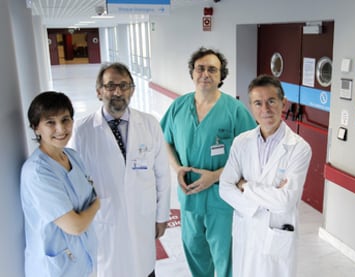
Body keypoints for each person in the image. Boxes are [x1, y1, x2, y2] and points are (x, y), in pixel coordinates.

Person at [160, 47, 257, 277]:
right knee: (195, 251)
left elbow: (250, 154)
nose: (206, 74)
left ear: (221, 75)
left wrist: (215, 176)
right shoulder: (178, 107)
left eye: (212, 69)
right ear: (192, 73)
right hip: (190, 197)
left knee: (225, 257)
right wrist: (177, 169)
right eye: (200, 68)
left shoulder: (235, 111)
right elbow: (165, 142)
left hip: (222, 198)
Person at [69, 62, 171, 277]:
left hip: (142, 217)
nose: (117, 92)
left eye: (124, 85)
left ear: (132, 90)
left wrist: (162, 216)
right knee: (111, 269)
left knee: (144, 269)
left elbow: (162, 174)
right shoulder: (82, 130)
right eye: (110, 86)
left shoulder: (150, 124)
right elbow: (76, 182)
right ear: (99, 92)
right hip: (104, 221)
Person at [219, 74, 312, 277]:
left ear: (283, 103)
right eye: (258, 103)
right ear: (251, 107)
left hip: (276, 236)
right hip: (246, 229)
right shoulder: (241, 142)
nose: (265, 109)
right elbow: (225, 188)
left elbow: (285, 201)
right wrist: (260, 204)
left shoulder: (299, 148)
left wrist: (245, 187)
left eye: (271, 101)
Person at [20, 91, 100, 277]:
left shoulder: (73, 156)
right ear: (36, 128)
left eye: (65, 119)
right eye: (50, 122)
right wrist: (97, 205)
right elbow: (75, 226)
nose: (61, 129)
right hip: (56, 269)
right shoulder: (37, 172)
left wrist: (89, 209)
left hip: (82, 260)